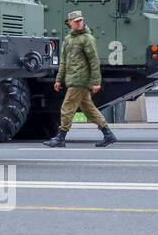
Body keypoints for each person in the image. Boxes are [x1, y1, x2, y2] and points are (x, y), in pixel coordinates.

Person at [44, 10, 117, 148]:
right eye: (76, 21)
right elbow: (64, 62)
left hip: (80, 80)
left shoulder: (87, 39)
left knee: (67, 107)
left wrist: (96, 82)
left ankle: (60, 137)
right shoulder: (68, 39)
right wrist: (59, 80)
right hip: (72, 79)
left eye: (80, 21)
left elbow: (94, 61)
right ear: (69, 22)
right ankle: (108, 134)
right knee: (88, 109)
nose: (79, 23)